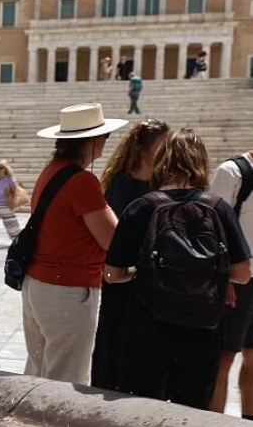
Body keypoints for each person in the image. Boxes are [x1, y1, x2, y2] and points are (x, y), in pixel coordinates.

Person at [104, 129, 252, 409]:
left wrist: (142, 271)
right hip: (203, 332)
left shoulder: (141, 207)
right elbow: (243, 274)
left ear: (163, 160)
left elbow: (112, 274)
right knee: (190, 415)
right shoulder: (218, 208)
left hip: (147, 329)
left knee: (140, 411)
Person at [23, 103, 126, 384]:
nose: (105, 142)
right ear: (93, 141)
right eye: (105, 137)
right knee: (66, 380)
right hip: (66, 290)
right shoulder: (82, 181)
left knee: (37, 375)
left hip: (37, 284)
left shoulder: (50, 171)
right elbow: (113, 240)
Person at [90, 118, 170, 392]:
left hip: (153, 288)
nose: (168, 151)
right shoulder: (120, 184)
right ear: (144, 149)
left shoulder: (162, 184)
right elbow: (117, 240)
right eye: (163, 145)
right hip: (121, 282)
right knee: (115, 353)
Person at [208, 145, 253, 416]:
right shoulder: (232, 172)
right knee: (224, 359)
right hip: (237, 281)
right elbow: (212, 227)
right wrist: (225, 279)